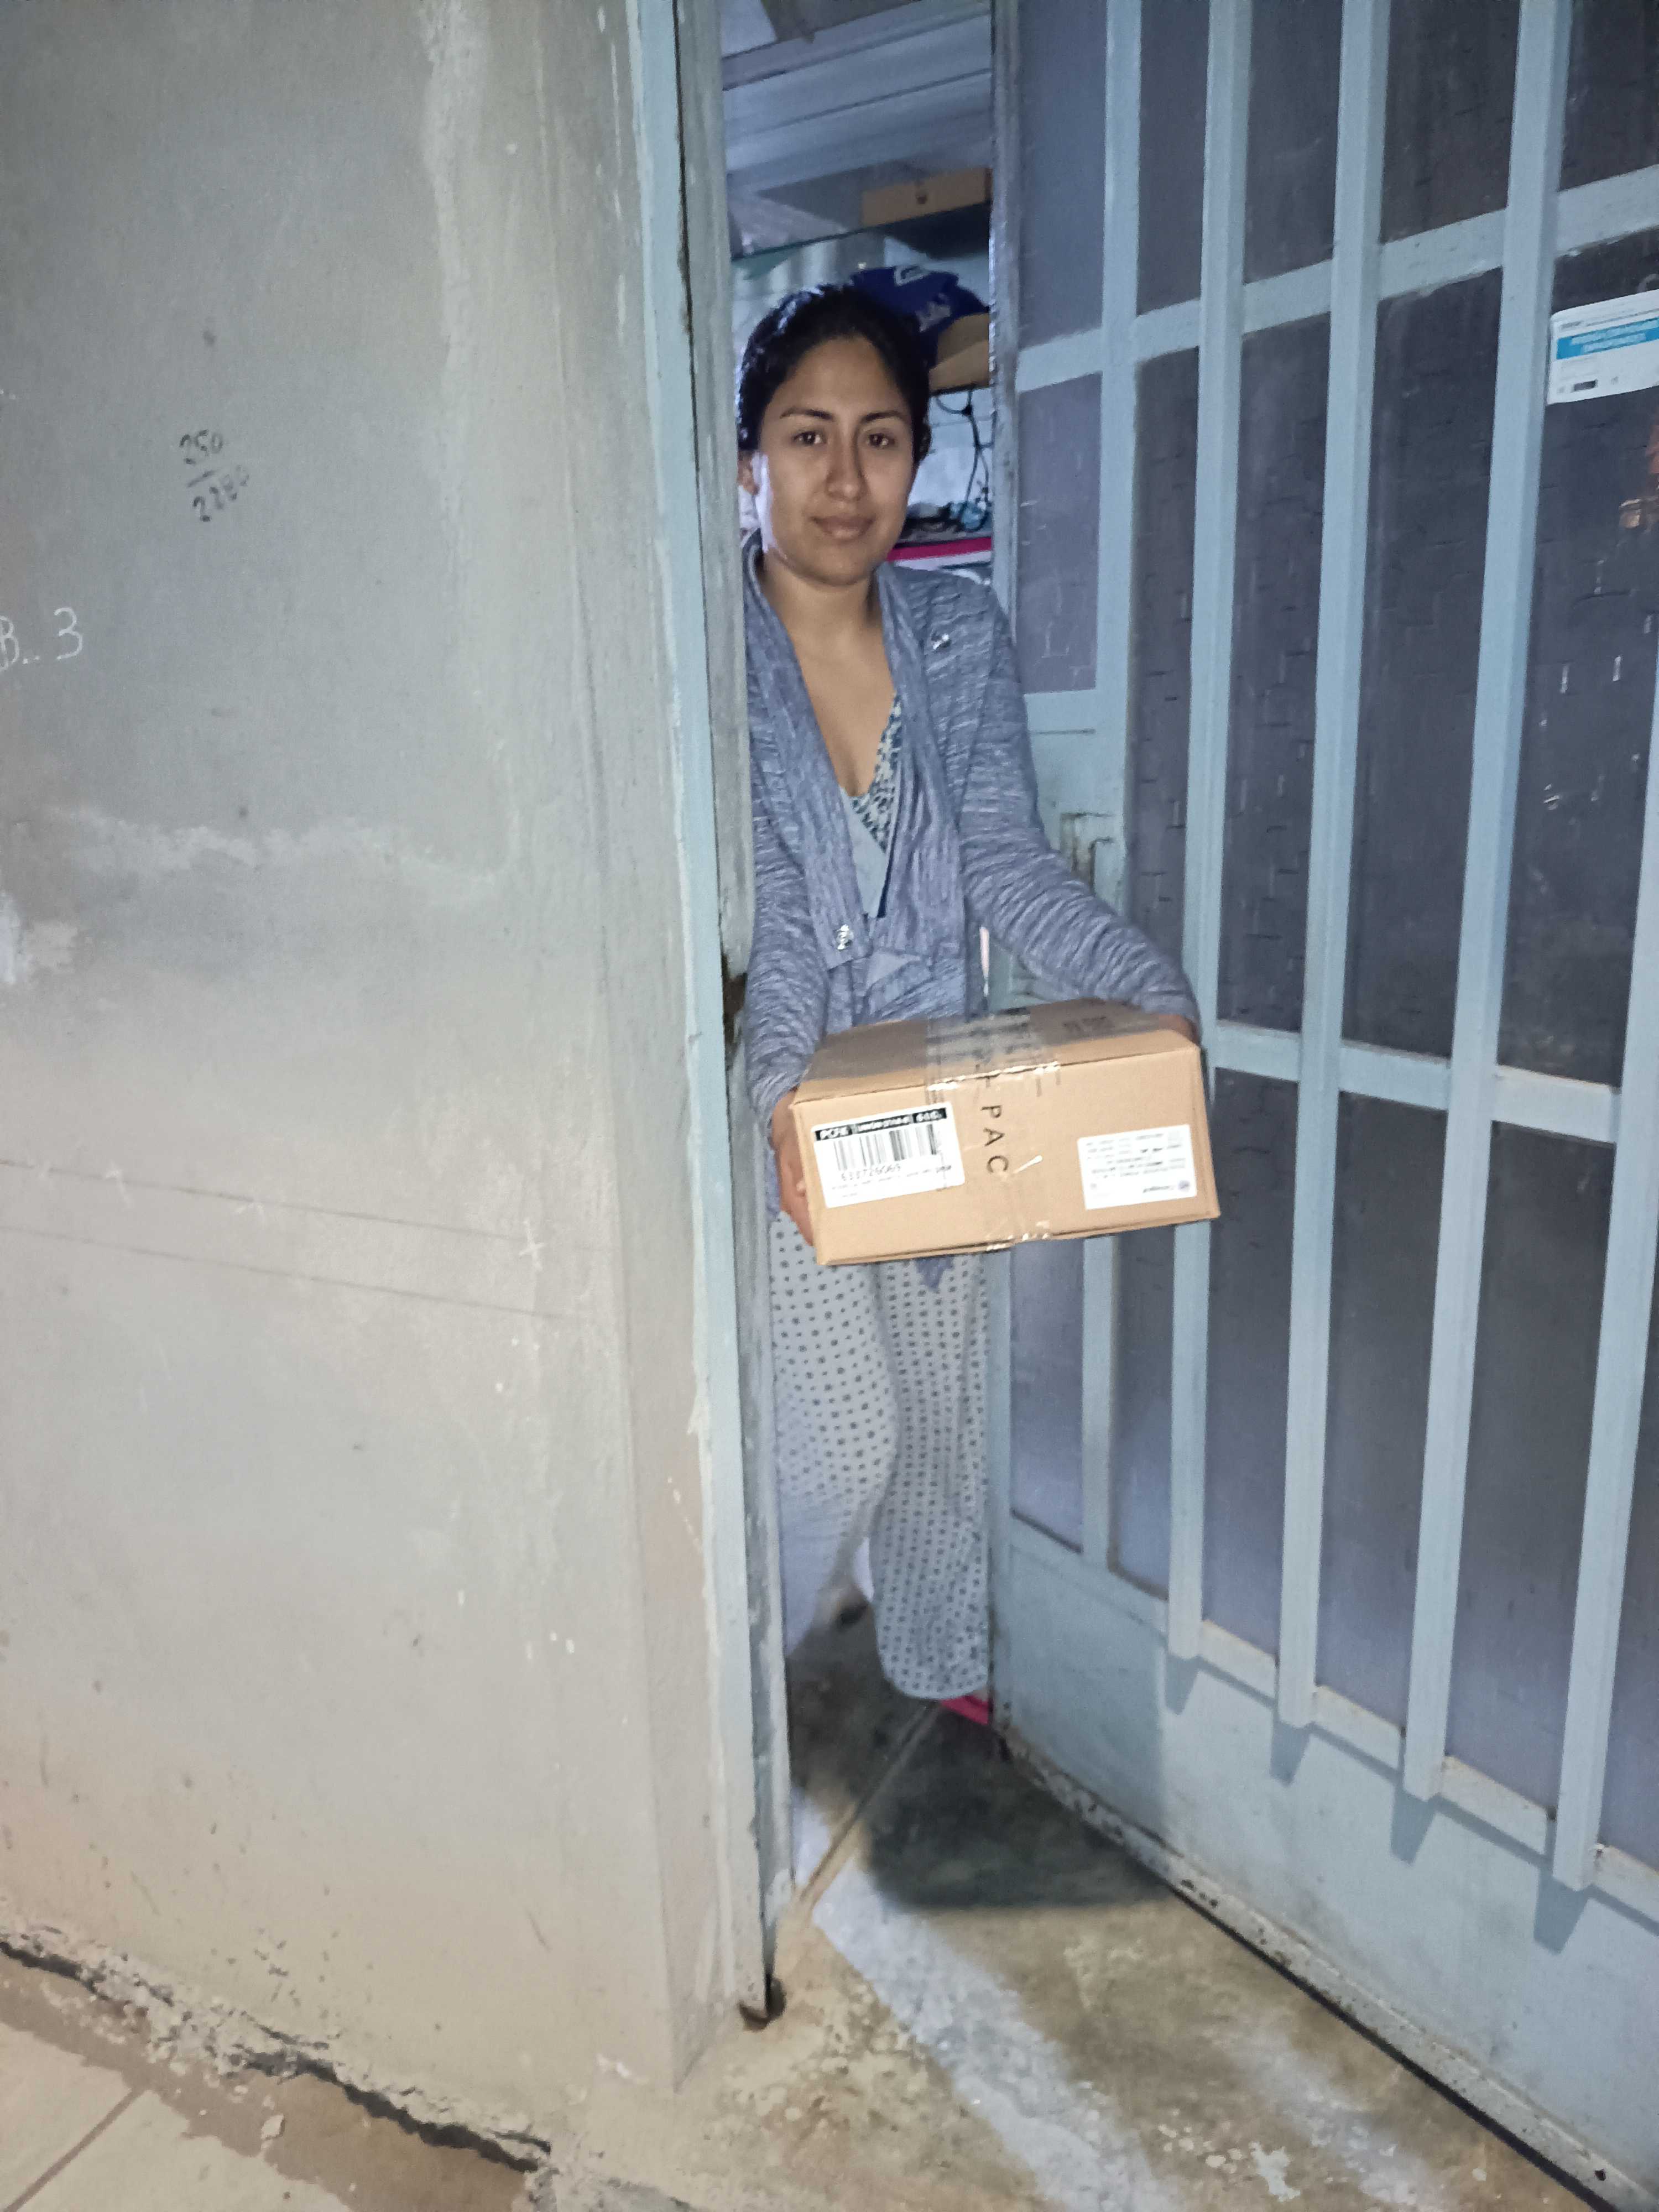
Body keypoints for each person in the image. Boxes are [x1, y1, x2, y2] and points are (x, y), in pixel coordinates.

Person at [739, 284, 1198, 1716]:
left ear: (917, 458)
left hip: (945, 1086)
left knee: (946, 1426)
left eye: (880, 438)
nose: (845, 477)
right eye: (807, 436)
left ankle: (938, 1667)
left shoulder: (954, 629)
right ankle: (731, 1681)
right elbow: (777, 925)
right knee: (840, 1443)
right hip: (790, 1098)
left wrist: (1149, 991)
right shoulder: (707, 653)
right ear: (749, 461)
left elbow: (1005, 863)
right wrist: (780, 1104)